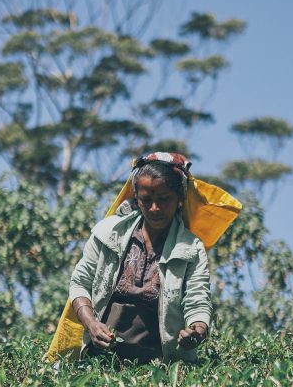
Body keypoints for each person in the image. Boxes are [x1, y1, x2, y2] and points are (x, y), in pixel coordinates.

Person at [68, 153, 211, 363]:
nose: (155, 208)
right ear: (136, 197)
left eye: (164, 199)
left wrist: (196, 331)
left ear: (179, 198)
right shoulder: (107, 234)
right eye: (146, 199)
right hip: (99, 361)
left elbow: (197, 299)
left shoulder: (190, 248)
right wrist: (91, 323)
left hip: (159, 366)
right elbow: (80, 283)